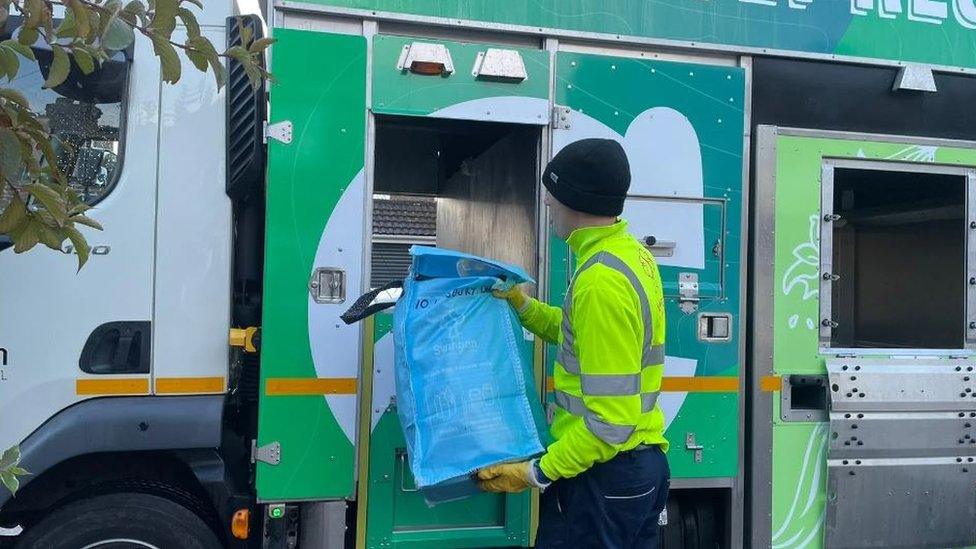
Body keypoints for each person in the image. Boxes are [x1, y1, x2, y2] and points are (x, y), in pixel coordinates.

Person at [476, 138, 670, 548]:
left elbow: (609, 424)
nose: (547, 205)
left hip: (603, 476)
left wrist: (535, 473)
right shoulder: (631, 255)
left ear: (574, 201)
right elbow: (581, 335)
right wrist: (523, 305)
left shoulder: (601, 281)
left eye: (553, 196)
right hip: (635, 467)